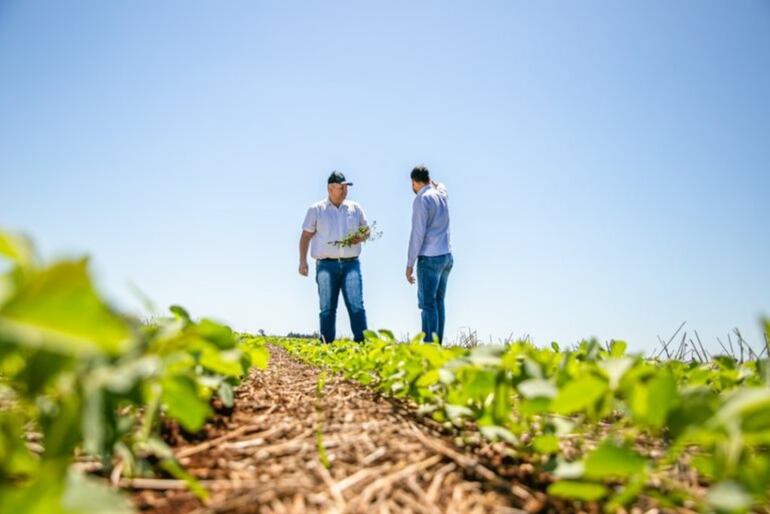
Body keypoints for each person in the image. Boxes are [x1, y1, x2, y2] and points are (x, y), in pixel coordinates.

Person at [299, 171, 370, 343]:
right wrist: (303, 261)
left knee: (356, 305)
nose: (345, 191)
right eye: (341, 187)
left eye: (346, 187)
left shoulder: (355, 208)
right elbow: (306, 236)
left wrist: (361, 236)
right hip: (325, 265)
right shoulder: (316, 210)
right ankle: (326, 344)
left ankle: (363, 344)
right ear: (330, 188)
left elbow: (367, 230)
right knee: (327, 308)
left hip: (351, 264)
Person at [406, 165, 453, 344]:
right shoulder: (441, 195)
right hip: (446, 255)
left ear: (414, 182)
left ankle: (429, 346)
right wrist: (437, 183)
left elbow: (417, 234)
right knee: (439, 301)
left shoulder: (421, 199)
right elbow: (443, 187)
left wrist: (410, 263)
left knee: (427, 304)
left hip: (430, 257)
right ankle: (437, 344)